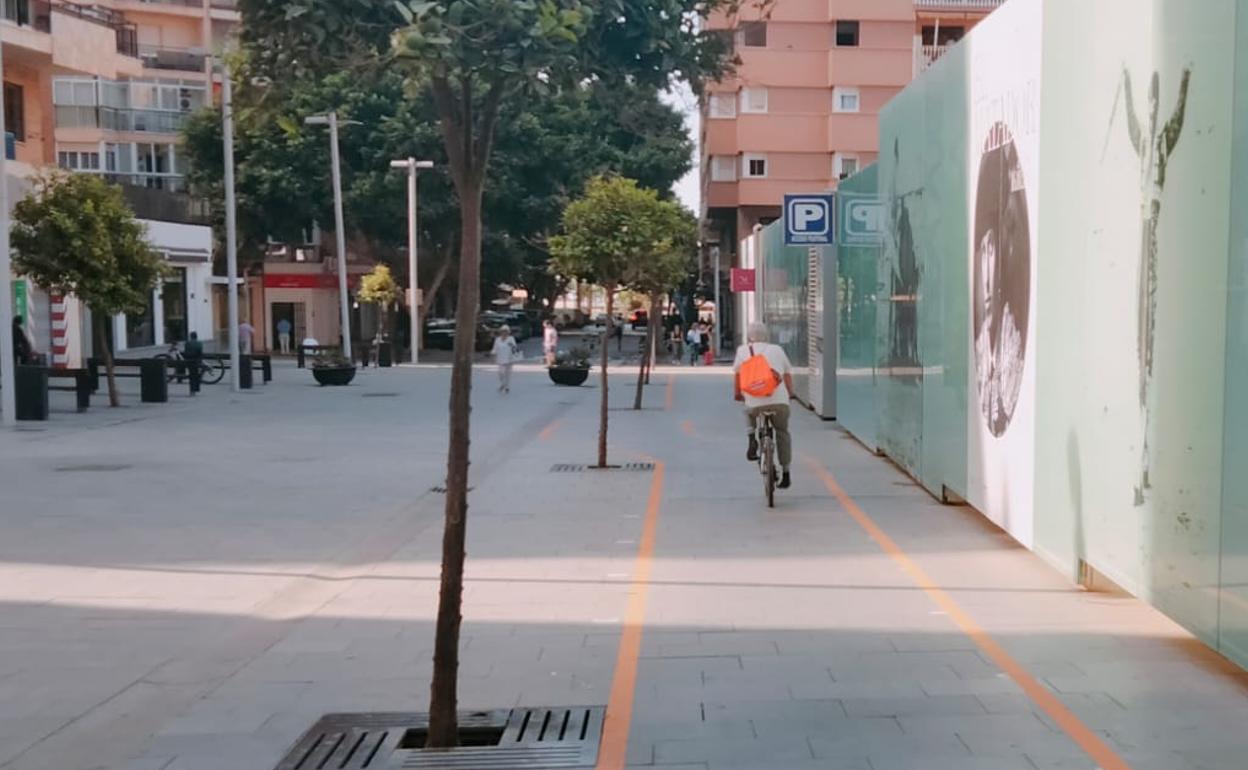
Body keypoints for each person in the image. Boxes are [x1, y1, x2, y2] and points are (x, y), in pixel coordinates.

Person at [733, 322, 796, 490]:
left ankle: (751, 437)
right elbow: (787, 375)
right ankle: (786, 472)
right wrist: (790, 394)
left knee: (748, 411)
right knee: (782, 432)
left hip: (754, 401)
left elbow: (738, 375)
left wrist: (738, 394)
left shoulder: (742, 350)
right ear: (766, 335)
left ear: (749, 337)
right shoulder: (777, 350)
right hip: (779, 400)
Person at [492, 325, 519, 393]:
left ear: (508, 332)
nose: (504, 333)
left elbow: (515, 348)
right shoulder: (497, 339)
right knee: (500, 373)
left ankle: (507, 387)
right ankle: (503, 384)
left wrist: (512, 346)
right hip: (500, 358)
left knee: (507, 374)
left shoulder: (511, 339)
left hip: (509, 359)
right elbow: (495, 348)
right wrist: (492, 353)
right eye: (503, 331)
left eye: (506, 331)